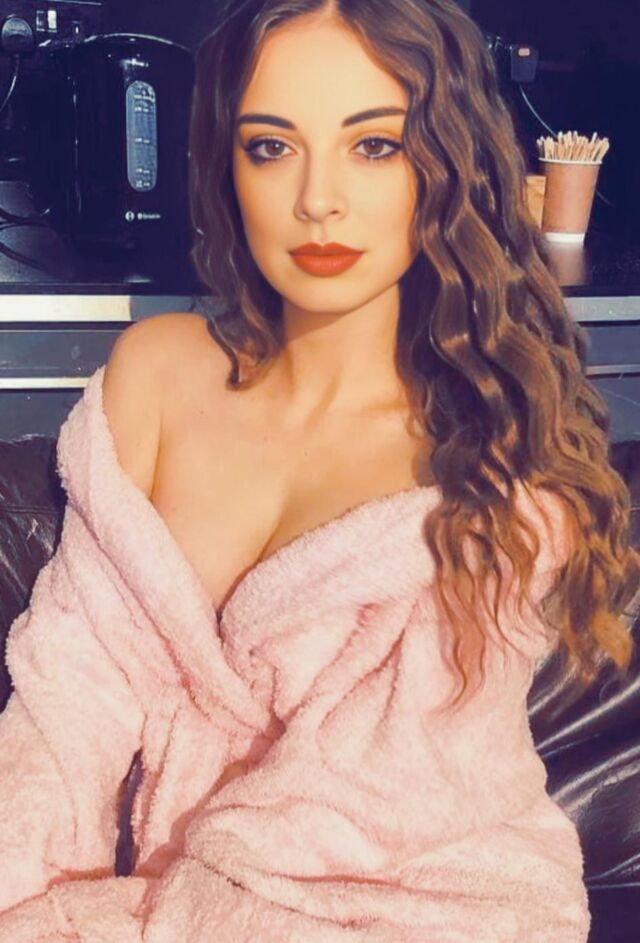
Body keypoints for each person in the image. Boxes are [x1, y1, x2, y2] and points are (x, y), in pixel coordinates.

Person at [1, 0, 638, 939]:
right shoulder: (158, 376)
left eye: (373, 146)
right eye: (272, 147)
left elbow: (351, 822)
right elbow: (70, 694)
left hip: (422, 896)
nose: (317, 199)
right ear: (226, 165)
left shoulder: (494, 472)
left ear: (444, 165)